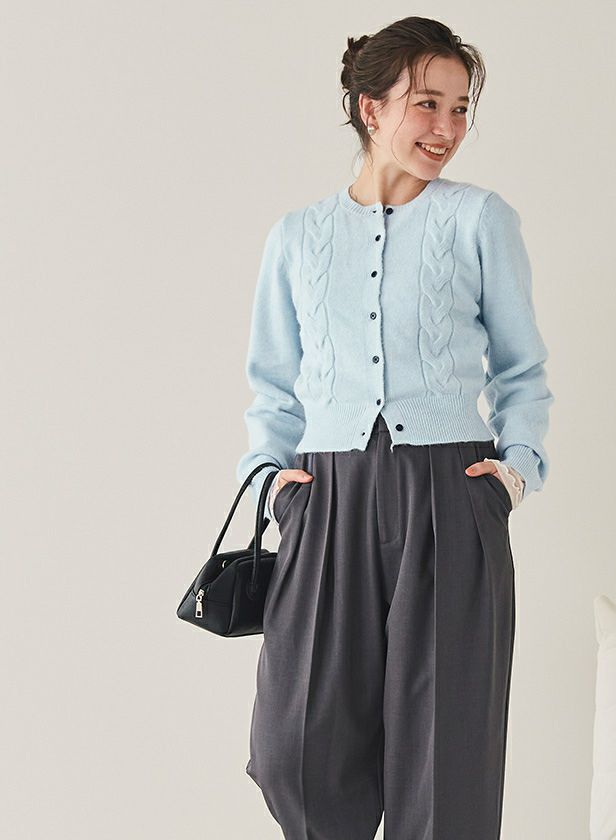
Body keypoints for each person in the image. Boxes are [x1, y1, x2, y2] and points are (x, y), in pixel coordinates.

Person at [235, 15, 553, 840]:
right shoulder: (297, 237)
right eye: (427, 104)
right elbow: (272, 384)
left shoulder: (480, 220)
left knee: (446, 759)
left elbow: (521, 371)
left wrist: (514, 474)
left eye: (460, 107)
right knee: (294, 750)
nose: (447, 127)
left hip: (451, 493)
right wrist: (272, 484)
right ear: (370, 108)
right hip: (324, 498)